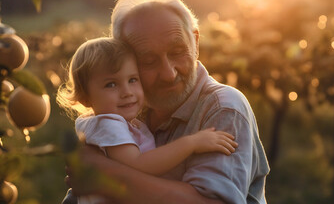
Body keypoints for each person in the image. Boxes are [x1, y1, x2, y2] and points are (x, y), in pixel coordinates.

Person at [65, 0, 270, 204]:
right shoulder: (128, 109)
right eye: (149, 61)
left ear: (196, 43)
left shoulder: (222, 108)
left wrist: (108, 177)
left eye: (177, 52)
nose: (168, 74)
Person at [57, 37, 239, 204]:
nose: (127, 91)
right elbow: (141, 164)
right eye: (111, 84)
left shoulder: (120, 122)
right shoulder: (107, 124)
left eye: (133, 80)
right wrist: (192, 143)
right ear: (85, 98)